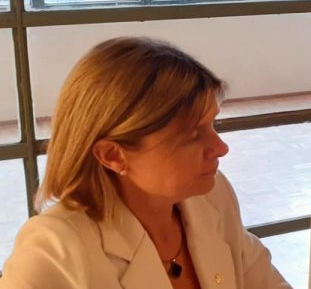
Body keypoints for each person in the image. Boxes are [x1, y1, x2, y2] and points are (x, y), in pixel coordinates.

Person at [0, 37, 289, 289]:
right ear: (113, 156)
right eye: (191, 135)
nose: (220, 148)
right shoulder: (54, 251)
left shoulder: (211, 198)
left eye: (212, 125)